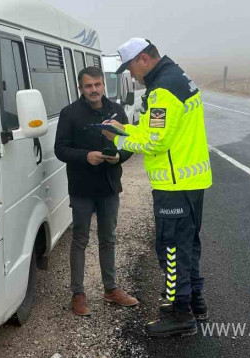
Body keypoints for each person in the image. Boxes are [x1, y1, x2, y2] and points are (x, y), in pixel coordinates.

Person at [101, 38, 213, 337]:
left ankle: (180, 314)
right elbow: (156, 130)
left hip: (174, 184)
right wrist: (125, 129)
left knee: (172, 249)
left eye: (130, 68)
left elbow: (156, 141)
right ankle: (195, 303)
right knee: (188, 245)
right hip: (191, 180)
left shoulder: (163, 90)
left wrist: (118, 140)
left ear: (144, 59)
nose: (132, 76)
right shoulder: (178, 79)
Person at [54, 66, 139, 316]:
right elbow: (60, 149)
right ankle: (78, 294)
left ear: (104, 85)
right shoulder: (69, 113)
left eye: (98, 85)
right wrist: (85, 156)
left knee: (108, 238)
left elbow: (129, 144)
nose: (94, 90)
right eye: (88, 86)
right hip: (82, 187)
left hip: (109, 185)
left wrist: (119, 158)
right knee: (80, 239)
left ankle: (110, 289)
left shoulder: (117, 111)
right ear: (81, 88)